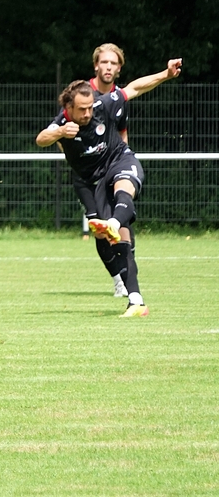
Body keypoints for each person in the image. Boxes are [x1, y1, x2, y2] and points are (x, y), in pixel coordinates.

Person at [36, 57, 182, 317]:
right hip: (93, 181)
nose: (88, 113)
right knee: (114, 240)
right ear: (69, 107)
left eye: (90, 107)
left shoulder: (102, 104)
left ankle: (114, 223)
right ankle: (136, 300)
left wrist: (166, 74)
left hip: (119, 161)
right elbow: (41, 139)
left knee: (123, 193)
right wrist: (60, 132)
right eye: (82, 110)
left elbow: (134, 88)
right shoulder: (62, 122)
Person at [84, 43, 131, 296]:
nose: (108, 67)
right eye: (104, 62)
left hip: (112, 170)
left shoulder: (119, 97)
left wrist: (123, 162)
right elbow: (61, 134)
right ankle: (118, 281)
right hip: (87, 176)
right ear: (96, 65)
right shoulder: (82, 94)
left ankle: (129, 278)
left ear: (119, 68)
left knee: (122, 221)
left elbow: (122, 132)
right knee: (99, 228)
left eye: (113, 63)